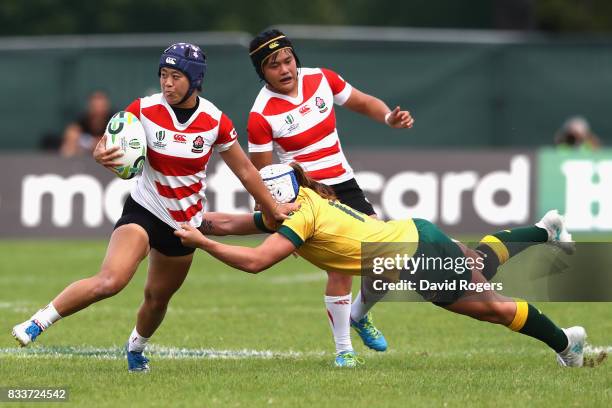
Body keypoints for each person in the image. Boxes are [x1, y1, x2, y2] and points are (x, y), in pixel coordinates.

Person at [11, 43, 298, 373]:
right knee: (111, 280)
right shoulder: (144, 109)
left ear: (195, 80)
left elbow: (246, 171)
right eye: (163, 75)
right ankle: (38, 322)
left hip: (184, 227)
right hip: (143, 210)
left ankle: (136, 346)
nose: (167, 83)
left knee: (157, 299)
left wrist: (272, 207)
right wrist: (100, 154)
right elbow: (111, 141)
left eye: (176, 76)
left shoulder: (214, 121)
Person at [174, 163, 586, 368]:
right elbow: (229, 222)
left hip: (414, 255)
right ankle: (544, 230)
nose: (259, 207)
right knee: (482, 263)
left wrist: (202, 243)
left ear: (281, 196)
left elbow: (256, 262)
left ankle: (567, 343)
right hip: (412, 241)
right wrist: (185, 218)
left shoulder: (299, 214)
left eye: (262, 197)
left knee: (491, 305)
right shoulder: (298, 203)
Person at [246, 29, 415, 354]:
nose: (284, 69)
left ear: (296, 58)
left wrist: (387, 117)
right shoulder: (260, 115)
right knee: (340, 270)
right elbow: (261, 178)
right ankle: (343, 351)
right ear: (261, 72)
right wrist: (279, 220)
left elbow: (364, 102)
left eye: (288, 60)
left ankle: (358, 315)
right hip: (309, 195)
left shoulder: (322, 79)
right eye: (273, 65)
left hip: (345, 184)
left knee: (386, 260)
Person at [60, 90, 113, 157]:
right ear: (90, 107)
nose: (98, 110)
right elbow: (71, 133)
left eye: (101, 106)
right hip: (85, 154)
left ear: (106, 106)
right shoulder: (83, 119)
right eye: (95, 106)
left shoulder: (114, 120)